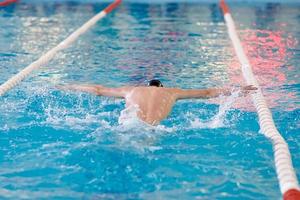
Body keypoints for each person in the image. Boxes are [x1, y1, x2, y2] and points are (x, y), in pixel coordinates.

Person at [57, 80, 257, 126]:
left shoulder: (131, 90)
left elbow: (98, 90)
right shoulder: (172, 92)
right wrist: (240, 90)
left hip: (129, 125)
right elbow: (208, 92)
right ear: (161, 87)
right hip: (154, 129)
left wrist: (69, 86)